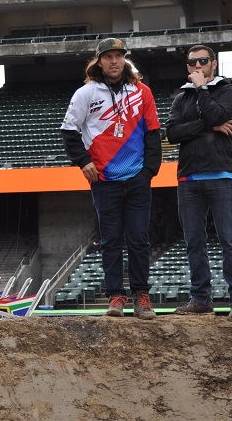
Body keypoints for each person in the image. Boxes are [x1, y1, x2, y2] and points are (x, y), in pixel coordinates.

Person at [60, 38, 161, 320]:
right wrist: (83, 162)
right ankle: (116, 296)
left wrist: (149, 171)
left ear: (124, 59)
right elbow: (68, 130)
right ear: (99, 61)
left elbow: (153, 132)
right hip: (104, 179)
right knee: (111, 240)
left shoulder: (142, 92)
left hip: (137, 177)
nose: (114, 61)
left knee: (139, 239)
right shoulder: (86, 93)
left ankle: (141, 296)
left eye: (118, 56)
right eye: (108, 57)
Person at [165, 44, 232, 323]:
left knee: (229, 240)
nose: (197, 66)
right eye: (192, 63)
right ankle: (201, 299)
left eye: (203, 61)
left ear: (213, 64)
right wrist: (209, 126)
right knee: (194, 242)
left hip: (221, 175)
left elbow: (214, 115)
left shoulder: (229, 91)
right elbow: (173, 133)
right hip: (188, 178)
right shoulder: (181, 98)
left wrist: (202, 88)